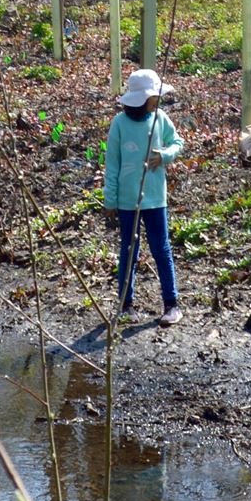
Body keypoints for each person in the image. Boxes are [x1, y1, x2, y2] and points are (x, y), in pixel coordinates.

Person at [103, 68, 186, 324]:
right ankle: (125, 304)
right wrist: (110, 200)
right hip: (128, 201)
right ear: (141, 99)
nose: (158, 101)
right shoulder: (119, 124)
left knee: (161, 248)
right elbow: (112, 164)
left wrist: (165, 155)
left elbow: (178, 142)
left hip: (155, 199)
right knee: (129, 250)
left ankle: (171, 304)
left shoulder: (160, 118)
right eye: (154, 96)